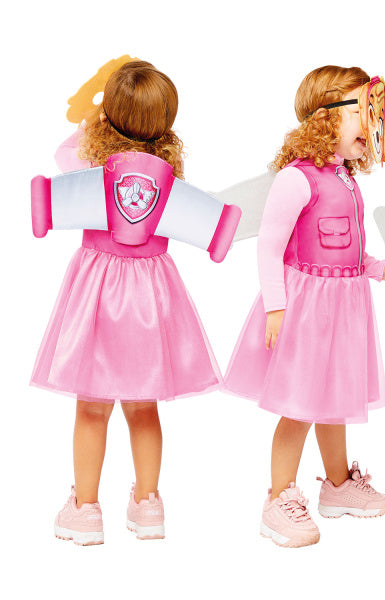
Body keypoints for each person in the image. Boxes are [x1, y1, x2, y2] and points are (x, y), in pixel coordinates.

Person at [32, 60, 231, 545]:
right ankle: (148, 504)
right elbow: (209, 226)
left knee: (92, 406)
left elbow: (62, 154)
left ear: (108, 116)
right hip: (150, 292)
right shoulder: (169, 174)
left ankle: (85, 509)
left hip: (98, 288)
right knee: (143, 406)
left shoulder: (90, 164)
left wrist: (94, 118)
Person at [225, 65, 385, 547]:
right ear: (326, 116)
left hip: (345, 306)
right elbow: (269, 246)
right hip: (307, 308)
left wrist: (381, 269)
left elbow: (349, 250)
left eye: (373, 112)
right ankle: (279, 498)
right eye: (361, 110)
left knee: (336, 399)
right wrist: (276, 306)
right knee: (300, 404)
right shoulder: (297, 178)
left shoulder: (346, 179)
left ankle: (338, 485)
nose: (371, 123)